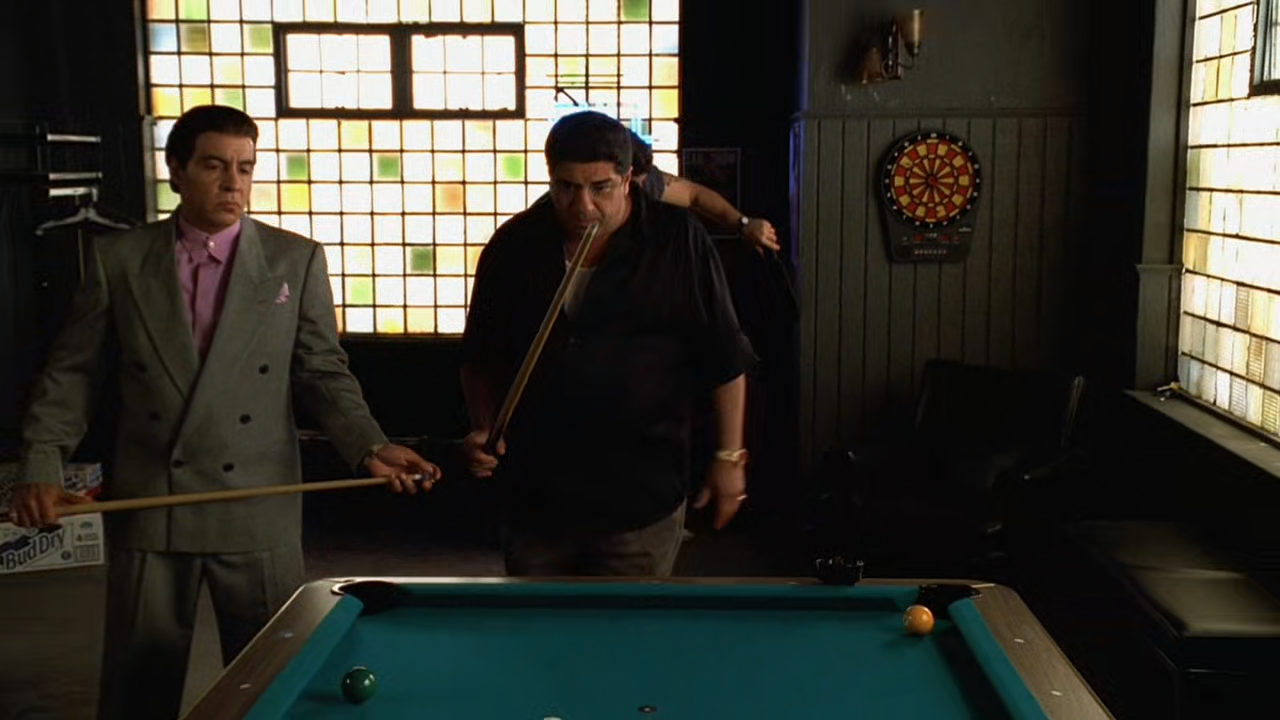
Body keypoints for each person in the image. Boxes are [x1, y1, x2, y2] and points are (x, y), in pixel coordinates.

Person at [7, 104, 440, 720]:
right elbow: (70, 376)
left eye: (245, 167)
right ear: (176, 170)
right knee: (138, 689)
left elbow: (322, 372)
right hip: (153, 503)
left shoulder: (295, 259)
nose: (233, 183)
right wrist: (41, 463)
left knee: (271, 684)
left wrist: (369, 445)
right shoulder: (119, 259)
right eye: (214, 166)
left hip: (256, 502)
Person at [460, 110, 757, 577]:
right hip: (539, 495)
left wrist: (729, 457)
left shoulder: (677, 240)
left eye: (600, 188)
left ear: (630, 179)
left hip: (642, 494)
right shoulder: (513, 245)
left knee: (629, 622)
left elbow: (725, 356)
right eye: (566, 187)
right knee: (536, 622)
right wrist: (483, 425)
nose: (582, 207)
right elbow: (479, 357)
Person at [627, 130, 781, 253]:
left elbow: (693, 195)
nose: (637, 190)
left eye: (640, 183)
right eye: (633, 184)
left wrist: (743, 224)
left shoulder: (645, 181)